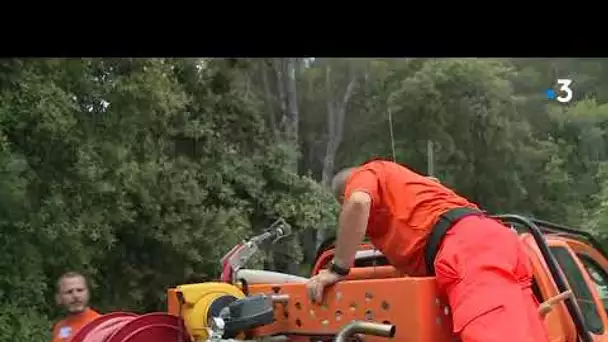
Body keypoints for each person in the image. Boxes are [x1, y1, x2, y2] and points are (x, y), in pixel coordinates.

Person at [306, 159, 550, 342]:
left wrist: (337, 268)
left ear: (342, 197)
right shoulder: (406, 194)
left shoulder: (367, 174)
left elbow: (358, 202)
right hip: (494, 241)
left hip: (468, 249)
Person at [51, 272, 101, 342]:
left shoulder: (101, 324)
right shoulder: (59, 327)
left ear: (88, 293)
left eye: (80, 290)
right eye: (69, 292)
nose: (75, 296)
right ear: (58, 298)